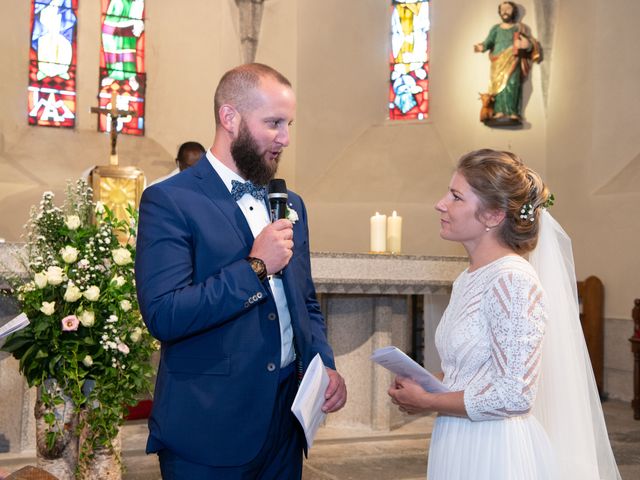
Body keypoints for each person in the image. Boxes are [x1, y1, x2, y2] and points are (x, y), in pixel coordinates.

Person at [135, 63, 347, 479]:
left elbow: (303, 299)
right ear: (229, 118)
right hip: (208, 426)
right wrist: (254, 268)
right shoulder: (169, 200)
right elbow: (164, 314)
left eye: (288, 124)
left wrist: (324, 363)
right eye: (273, 123)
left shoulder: (290, 203)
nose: (284, 137)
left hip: (285, 424)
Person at [388, 149, 621, 479]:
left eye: (455, 197)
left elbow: (513, 395)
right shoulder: (469, 277)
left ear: (492, 215)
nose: (440, 204)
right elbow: (473, 373)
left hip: (493, 448)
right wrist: (427, 383)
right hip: (458, 435)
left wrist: (427, 401)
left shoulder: (512, 280)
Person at [474, 2, 541, 125]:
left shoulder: (519, 28)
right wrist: (481, 47)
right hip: (498, 62)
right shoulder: (496, 29)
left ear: (514, 11)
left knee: (513, 84)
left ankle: (513, 112)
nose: (505, 12)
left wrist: (526, 44)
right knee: (497, 87)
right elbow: (488, 42)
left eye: (508, 9)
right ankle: (499, 111)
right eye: (502, 9)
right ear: (499, 12)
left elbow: (531, 43)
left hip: (513, 60)